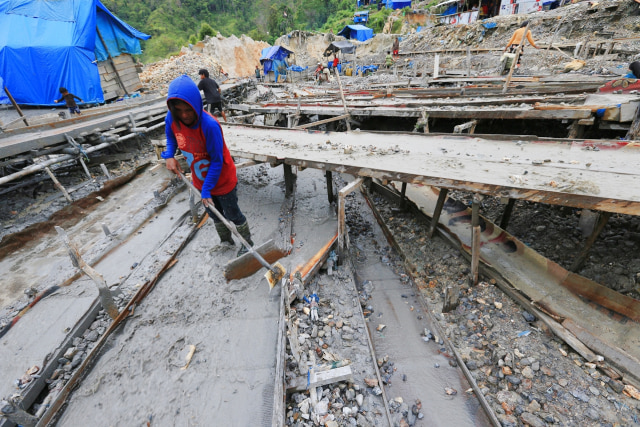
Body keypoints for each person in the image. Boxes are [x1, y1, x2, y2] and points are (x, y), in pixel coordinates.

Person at [162, 75, 253, 257]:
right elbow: (172, 138)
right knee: (214, 214)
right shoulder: (172, 119)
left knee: (233, 214)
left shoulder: (209, 125)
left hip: (222, 180)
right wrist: (169, 155)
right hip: (200, 180)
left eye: (188, 109)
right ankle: (226, 241)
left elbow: (217, 161)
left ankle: (248, 244)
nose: (185, 115)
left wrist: (207, 190)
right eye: (179, 110)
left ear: (196, 104)